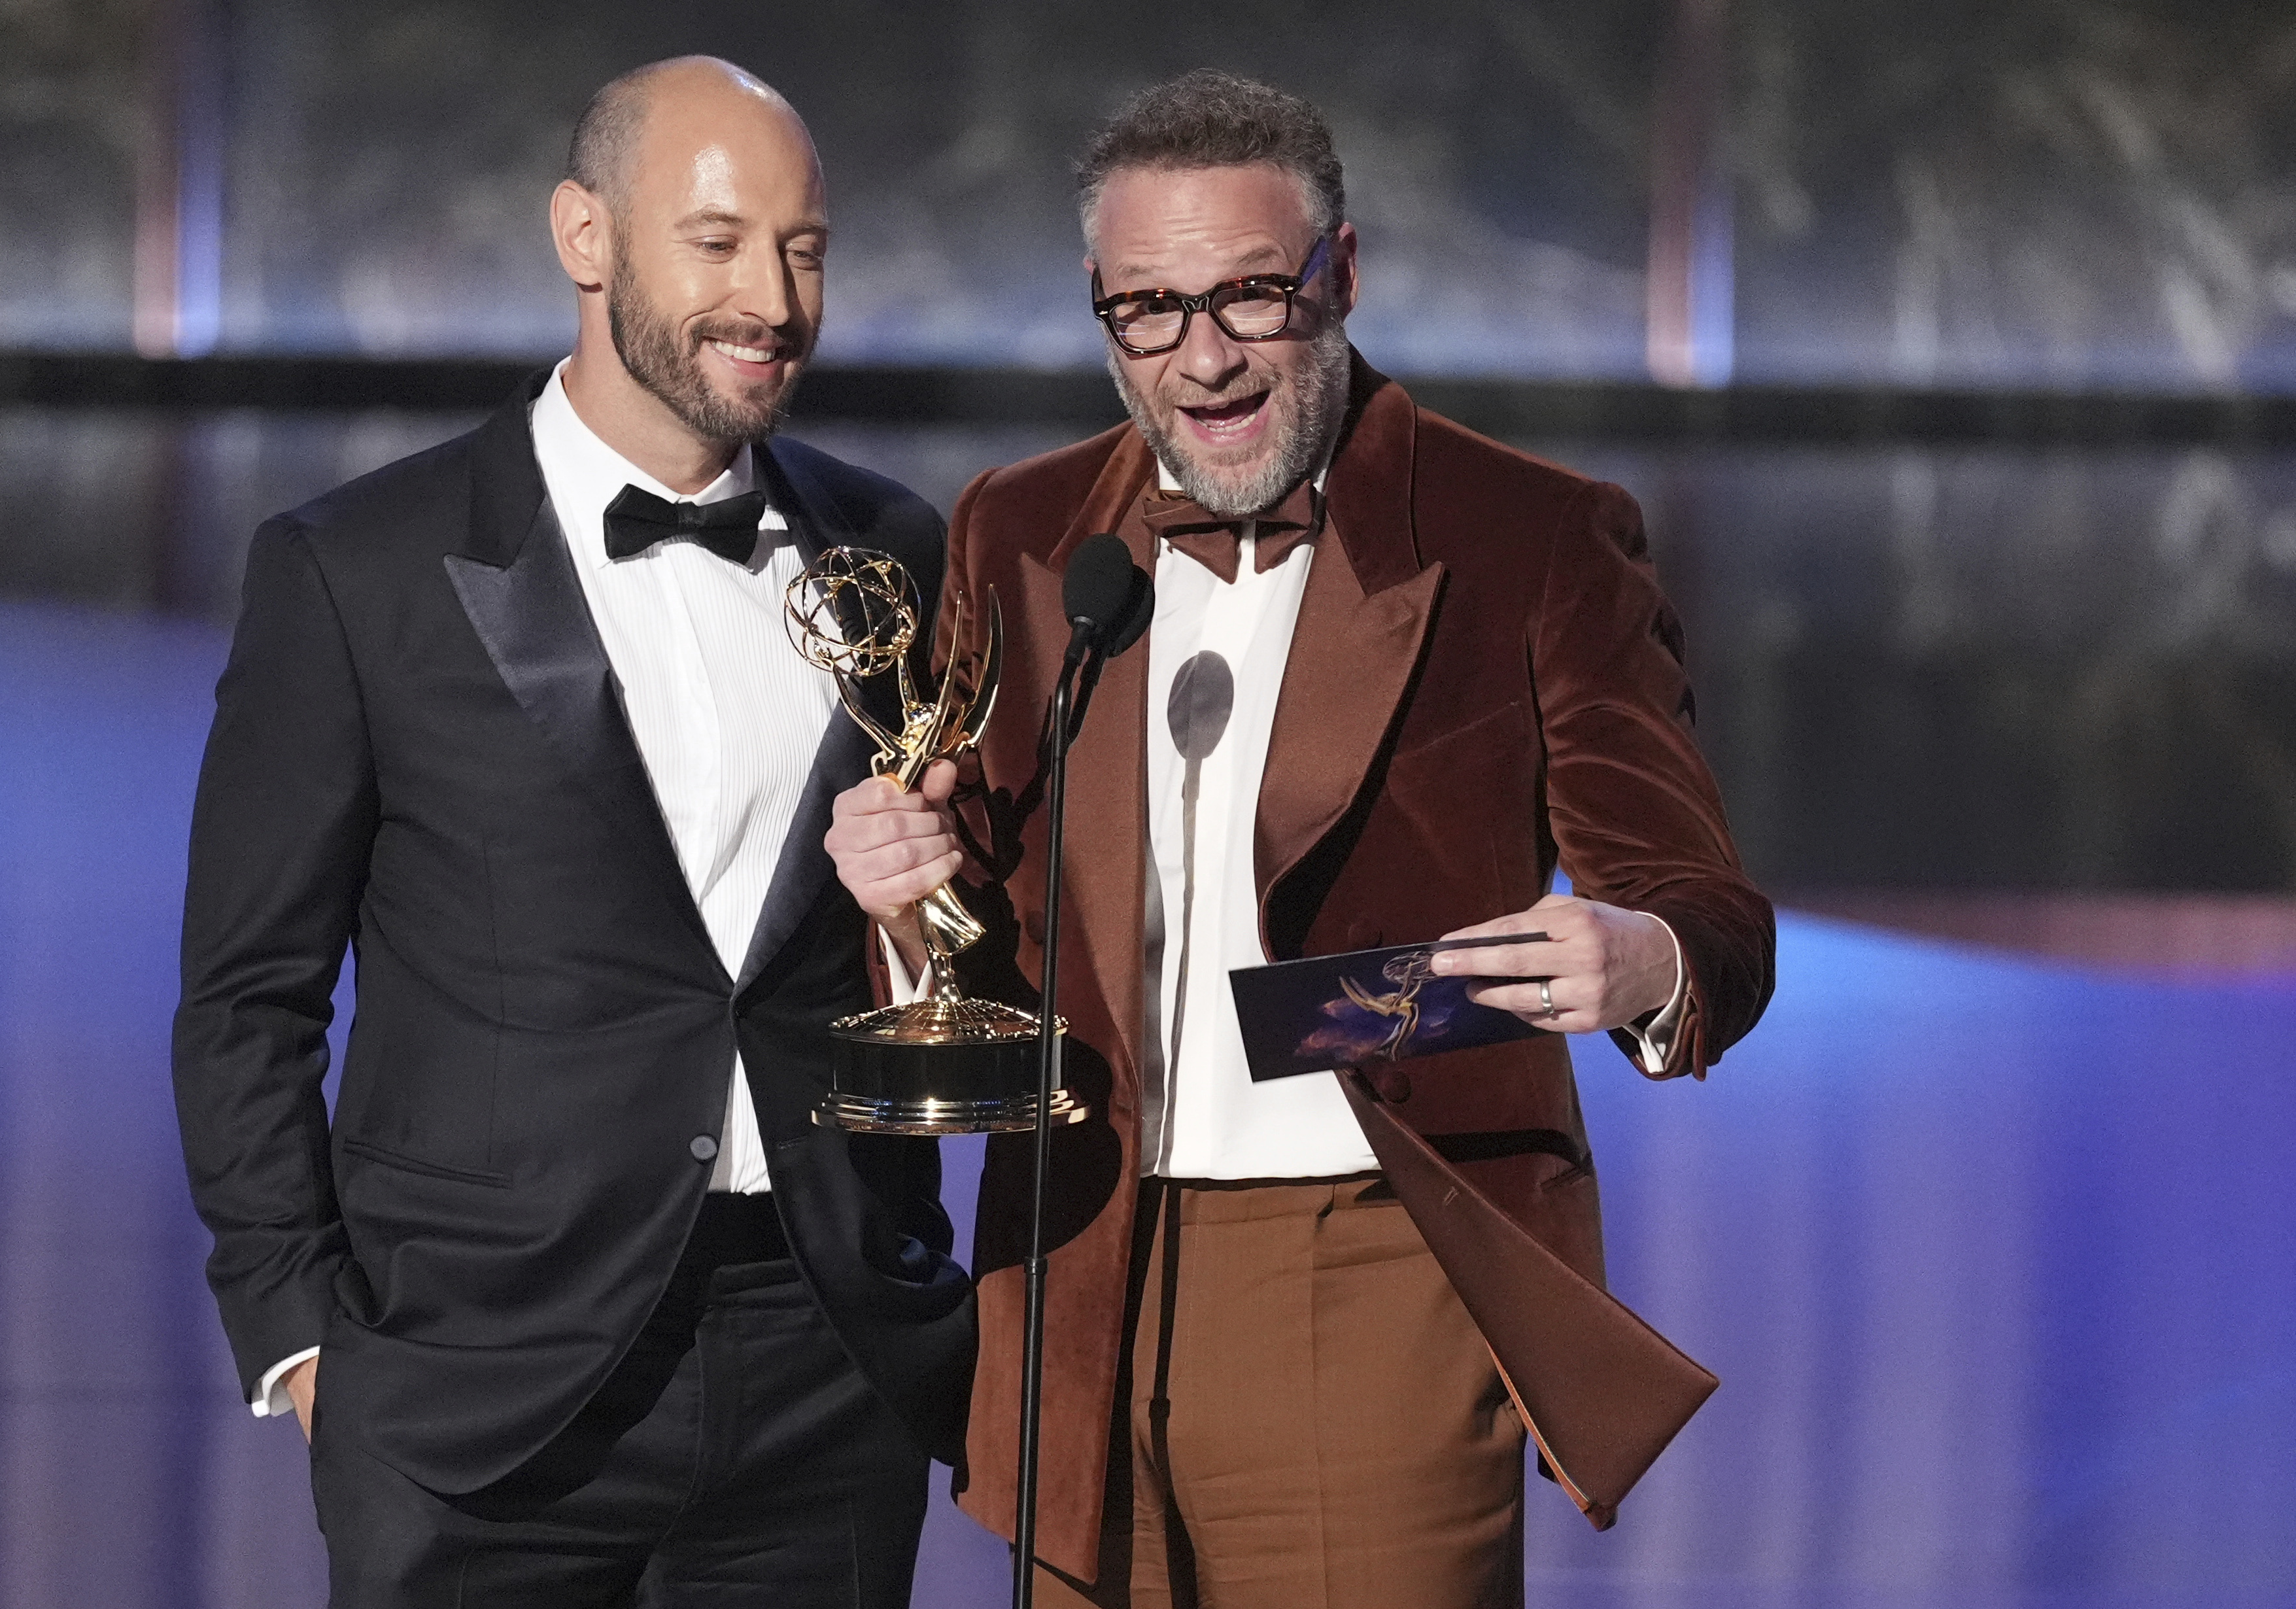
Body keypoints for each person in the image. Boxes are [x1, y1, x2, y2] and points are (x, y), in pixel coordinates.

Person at [827, 70, 1775, 1609]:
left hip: (1369, 1270)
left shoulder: (1527, 533)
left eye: (1250, 297)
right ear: (1099, 309)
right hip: (1076, 1261)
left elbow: (1704, 907)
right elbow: (984, 909)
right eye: (1149, 308)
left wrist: (1642, 958)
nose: (1202, 358)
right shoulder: (1021, 531)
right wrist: (900, 894)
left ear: (1339, 274)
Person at [173, 56, 970, 1607]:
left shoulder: (893, 551)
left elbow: (934, 930)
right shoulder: (360, 570)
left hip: (821, 1368)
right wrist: (302, 1337)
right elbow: (246, 999)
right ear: (584, 236)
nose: (775, 298)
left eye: (807, 248)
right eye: (721, 241)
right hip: (475, 1387)